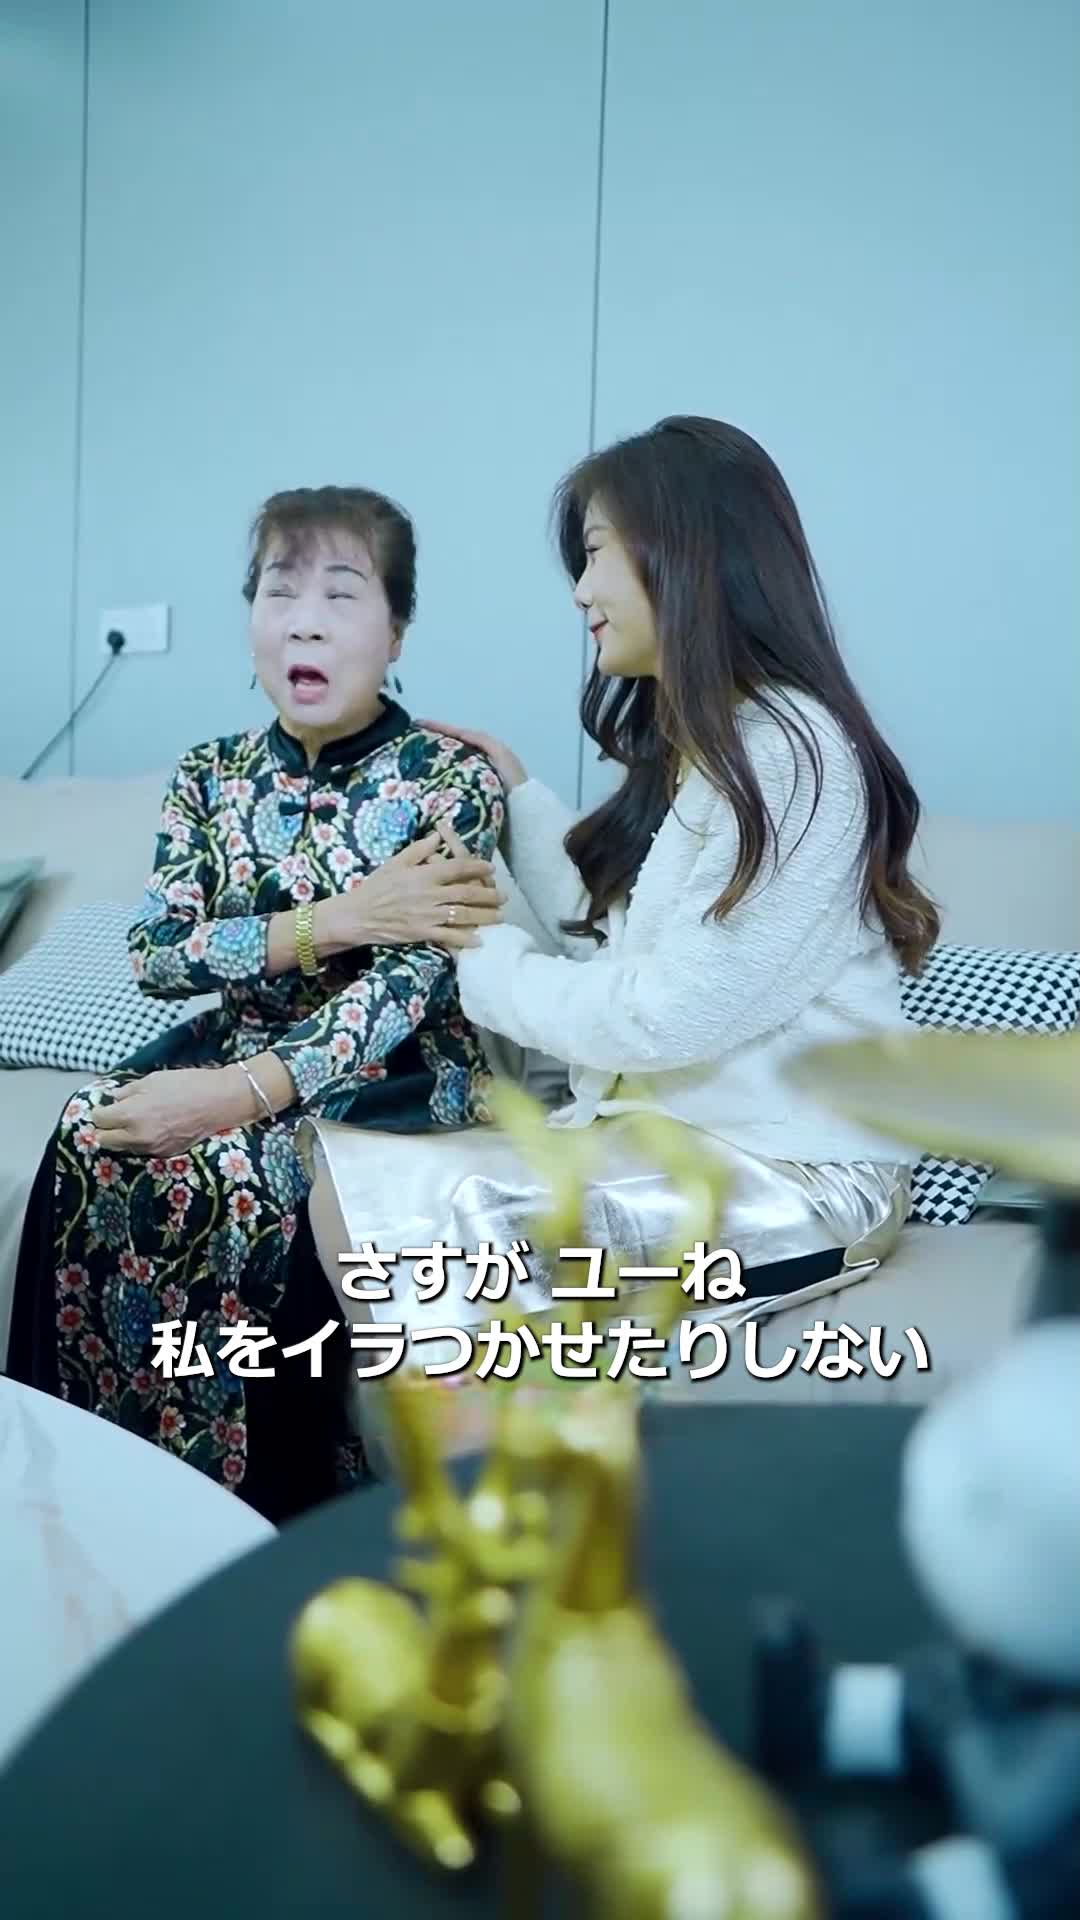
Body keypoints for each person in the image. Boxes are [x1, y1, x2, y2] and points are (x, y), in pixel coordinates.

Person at [307, 418, 941, 1441]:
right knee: (357, 1179)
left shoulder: (791, 753)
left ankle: (493, 1504)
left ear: (683, 552)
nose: (580, 590)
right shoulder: (725, 745)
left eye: (596, 551)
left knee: (411, 1205)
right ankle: (501, 1488)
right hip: (692, 1143)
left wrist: (481, 953)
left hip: (801, 1178)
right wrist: (517, 800)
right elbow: (630, 942)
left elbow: (666, 1013)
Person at [6, 484, 509, 1521]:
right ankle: (85, 1496)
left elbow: (411, 980)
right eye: (280, 592)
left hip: (394, 1075)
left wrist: (239, 1095)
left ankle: (263, 1518)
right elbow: (157, 955)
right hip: (232, 1045)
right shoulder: (210, 775)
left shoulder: (450, 780)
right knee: (88, 1129)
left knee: (246, 1169)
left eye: (342, 593)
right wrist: (342, 917)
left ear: (397, 630)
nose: (305, 622)